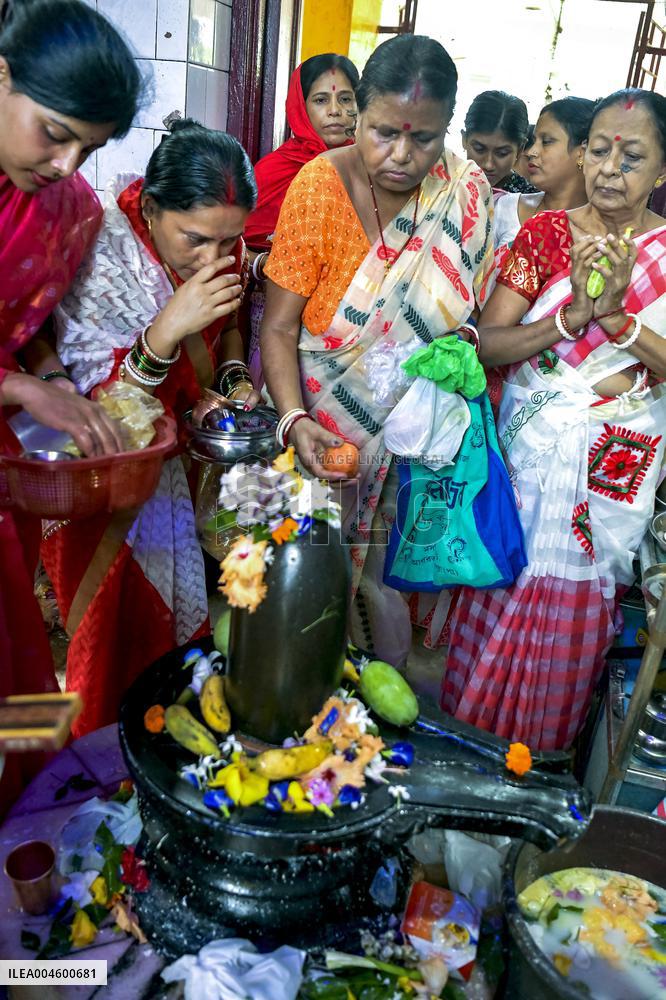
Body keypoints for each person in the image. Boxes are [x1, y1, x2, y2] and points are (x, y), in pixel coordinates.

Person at [260, 34, 495, 667]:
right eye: (383, 131)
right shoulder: (317, 187)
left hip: (412, 430)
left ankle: (375, 707)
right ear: (357, 116)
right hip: (320, 416)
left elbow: (465, 320)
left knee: (387, 583)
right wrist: (293, 419)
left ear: (447, 129)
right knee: (305, 574)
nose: (401, 155)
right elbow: (279, 327)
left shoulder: (463, 192)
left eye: (423, 139)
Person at [443, 88, 666, 752]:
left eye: (632, 156)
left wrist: (621, 321)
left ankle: (537, 769)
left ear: (662, 170)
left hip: (606, 479)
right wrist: (568, 320)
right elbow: (491, 341)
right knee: (499, 593)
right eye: (598, 149)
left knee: (571, 613)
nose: (608, 169)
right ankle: (467, 761)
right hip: (528, 462)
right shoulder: (546, 235)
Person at [41, 119, 259, 737]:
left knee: (172, 627)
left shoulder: (221, 241)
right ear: (154, 206)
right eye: (195, 239)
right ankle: (101, 771)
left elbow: (230, 323)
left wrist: (233, 373)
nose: (214, 258)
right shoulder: (100, 251)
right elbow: (96, 413)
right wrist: (167, 328)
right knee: (113, 631)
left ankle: (164, 745)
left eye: (230, 241)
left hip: (178, 466)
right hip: (102, 487)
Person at [0, 0, 141, 811]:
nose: (65, 163)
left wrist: (50, 377)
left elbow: (27, 326)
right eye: (54, 132)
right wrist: (19, 385)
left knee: (14, 640)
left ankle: (20, 813)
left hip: (5, 465)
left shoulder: (67, 211)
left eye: (87, 147)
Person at [243, 53, 359, 386]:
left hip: (347, 328)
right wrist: (265, 262)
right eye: (321, 100)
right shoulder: (272, 172)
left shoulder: (370, 172)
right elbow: (232, 246)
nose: (335, 111)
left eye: (346, 99)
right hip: (275, 318)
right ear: (300, 106)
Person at [493, 96, 596, 258]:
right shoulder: (505, 208)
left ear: (582, 152)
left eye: (546, 141)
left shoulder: (600, 235)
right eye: (534, 141)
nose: (531, 151)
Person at [462, 90, 535, 194]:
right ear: (464, 139)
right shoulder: (445, 184)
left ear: (520, 149)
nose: (488, 165)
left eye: (502, 154)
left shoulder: (530, 201)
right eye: (479, 149)